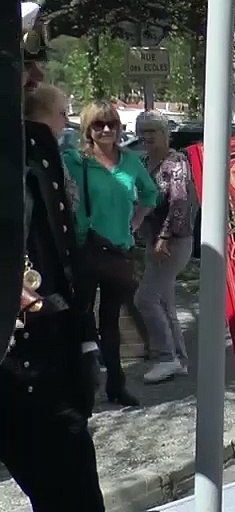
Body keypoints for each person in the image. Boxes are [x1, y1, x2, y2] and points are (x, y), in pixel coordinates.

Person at [2, 6, 107, 512]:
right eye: (21, 60)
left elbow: (62, 255)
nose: (34, 76)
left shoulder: (31, 144)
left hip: (43, 362)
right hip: (15, 366)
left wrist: (83, 338)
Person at [64, 100, 159, 407]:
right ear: (88, 129)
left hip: (119, 250)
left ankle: (116, 385)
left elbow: (151, 193)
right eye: (98, 125)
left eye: (112, 125)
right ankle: (82, 382)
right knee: (81, 318)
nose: (106, 130)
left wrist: (137, 219)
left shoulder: (130, 161)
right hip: (84, 248)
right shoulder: (75, 160)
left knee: (111, 322)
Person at [133, 111, 197, 384]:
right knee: (164, 302)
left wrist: (163, 237)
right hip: (152, 239)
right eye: (142, 131)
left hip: (173, 241)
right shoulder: (145, 162)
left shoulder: (176, 163)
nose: (147, 136)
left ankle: (165, 357)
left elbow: (180, 205)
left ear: (165, 133)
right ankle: (178, 359)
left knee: (145, 299)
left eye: (152, 131)